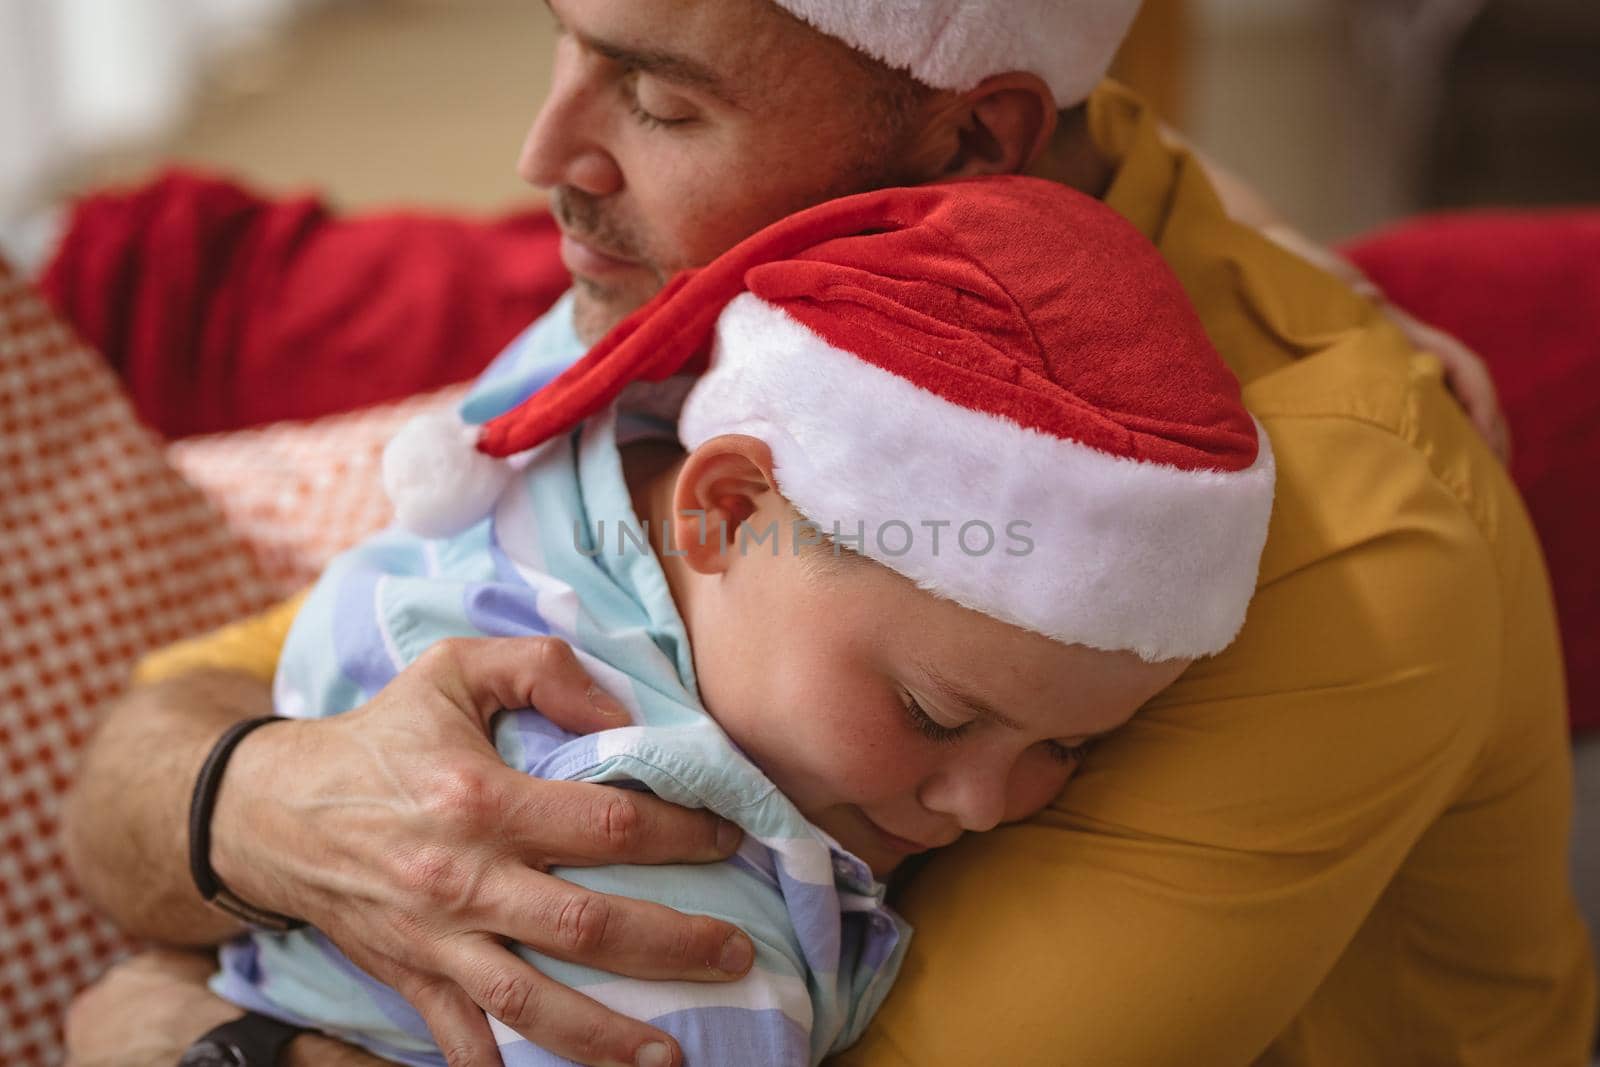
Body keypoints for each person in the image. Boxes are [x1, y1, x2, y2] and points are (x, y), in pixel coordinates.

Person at [62, 1, 1596, 1065]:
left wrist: (199, 1037)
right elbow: (160, 726)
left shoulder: (1330, 546)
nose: (547, 157)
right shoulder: (785, 298)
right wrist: (245, 803)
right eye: (569, 47)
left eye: (663, 97)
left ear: (976, 140)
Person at [202, 176, 1272, 1066]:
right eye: (933, 715)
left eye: (1069, 745)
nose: (986, 807)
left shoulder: (572, 434)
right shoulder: (681, 933)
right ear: (726, 510)